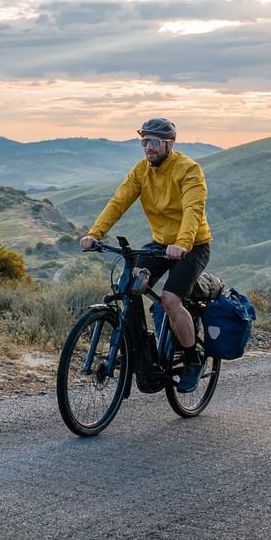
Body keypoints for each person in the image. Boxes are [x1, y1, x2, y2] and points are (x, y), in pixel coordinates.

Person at [80, 117, 212, 391]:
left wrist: (183, 244)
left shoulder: (189, 170)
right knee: (129, 286)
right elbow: (118, 202)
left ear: (169, 144)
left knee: (170, 299)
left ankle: (192, 357)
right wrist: (95, 233)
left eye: (152, 142)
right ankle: (141, 355)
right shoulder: (141, 171)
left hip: (193, 245)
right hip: (160, 243)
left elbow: (193, 211)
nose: (147, 148)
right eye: (143, 141)